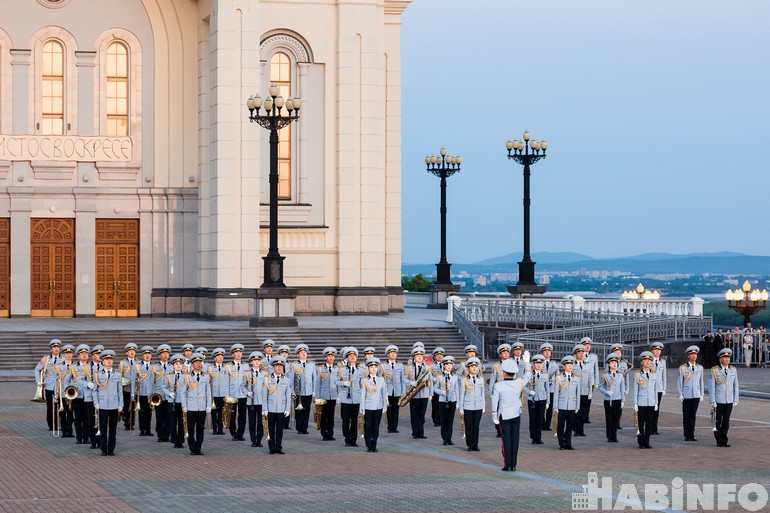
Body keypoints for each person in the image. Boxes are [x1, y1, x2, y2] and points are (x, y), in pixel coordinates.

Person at [491, 359, 525, 471]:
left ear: (504, 373)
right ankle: (514, 465)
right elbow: (528, 375)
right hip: (516, 414)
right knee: (515, 440)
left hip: (504, 415)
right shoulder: (519, 382)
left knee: (506, 440)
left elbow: (494, 402)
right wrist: (527, 364)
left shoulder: (498, 385)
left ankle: (507, 465)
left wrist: (494, 417)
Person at [93, 350, 123, 456]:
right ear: (103, 362)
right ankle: (103, 449)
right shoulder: (97, 374)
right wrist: (96, 402)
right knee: (103, 428)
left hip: (114, 404)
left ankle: (111, 448)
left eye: (110, 359)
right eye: (106, 360)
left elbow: (120, 391)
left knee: (113, 428)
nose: (109, 361)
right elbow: (95, 390)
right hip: (102, 404)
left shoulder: (118, 374)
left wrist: (121, 404)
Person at [180, 353, 211, 455]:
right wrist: (184, 405)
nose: (198, 364)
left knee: (200, 429)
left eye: (200, 362)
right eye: (196, 362)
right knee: (190, 429)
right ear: (192, 365)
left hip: (201, 407)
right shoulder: (187, 376)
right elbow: (183, 392)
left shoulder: (205, 376)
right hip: (191, 407)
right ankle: (192, 448)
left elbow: (208, 392)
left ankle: (198, 448)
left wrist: (208, 405)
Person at [709, 348, 739, 447]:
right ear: (720, 359)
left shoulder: (733, 370)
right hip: (718, 400)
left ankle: (724, 439)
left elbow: (736, 386)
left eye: (728, 357)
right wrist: (712, 400)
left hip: (729, 399)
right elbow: (712, 387)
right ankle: (719, 440)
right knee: (717, 421)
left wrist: (735, 399)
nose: (727, 360)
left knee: (726, 421)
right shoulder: (715, 370)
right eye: (724, 358)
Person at [262, 356, 292, 454]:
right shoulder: (267, 378)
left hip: (281, 409)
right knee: (271, 429)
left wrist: (287, 409)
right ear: (273, 367)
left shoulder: (286, 379)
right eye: (276, 366)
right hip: (270, 408)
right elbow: (264, 395)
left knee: (279, 429)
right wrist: (265, 408)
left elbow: (288, 395)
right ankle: (271, 448)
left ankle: (278, 447)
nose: (279, 368)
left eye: (280, 366)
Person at [402, 346, 432, 439]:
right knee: (414, 414)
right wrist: (411, 383)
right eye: (417, 355)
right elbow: (404, 378)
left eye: (421, 355)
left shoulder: (427, 367)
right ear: (414, 357)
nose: (419, 357)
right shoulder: (408, 367)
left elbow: (430, 381)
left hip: (424, 394)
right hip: (414, 395)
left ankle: (421, 433)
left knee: (422, 415)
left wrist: (431, 394)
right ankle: (415, 432)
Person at [336, 347, 363, 446]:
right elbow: (336, 381)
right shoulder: (342, 370)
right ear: (346, 358)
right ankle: (347, 438)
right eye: (350, 356)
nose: (352, 357)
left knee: (355, 421)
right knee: (346, 420)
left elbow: (363, 384)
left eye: (354, 356)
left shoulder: (360, 371)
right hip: (345, 399)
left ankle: (354, 440)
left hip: (356, 399)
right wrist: (343, 383)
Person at [360, 357, 388, 452]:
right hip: (368, 407)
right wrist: (362, 408)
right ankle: (368, 444)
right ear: (368, 369)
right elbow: (362, 395)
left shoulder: (381, 379)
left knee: (376, 427)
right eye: (371, 367)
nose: (373, 369)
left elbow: (384, 394)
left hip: (378, 406)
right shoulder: (364, 380)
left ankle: (374, 444)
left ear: (377, 368)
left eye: (375, 367)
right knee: (368, 427)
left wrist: (384, 406)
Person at [677, 345, 704, 442]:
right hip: (686, 394)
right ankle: (686, 434)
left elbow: (701, 381)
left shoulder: (699, 368)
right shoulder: (683, 368)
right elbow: (679, 381)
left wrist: (701, 394)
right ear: (688, 356)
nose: (694, 356)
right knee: (686, 416)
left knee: (693, 416)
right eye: (692, 354)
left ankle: (692, 434)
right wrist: (680, 394)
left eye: (695, 354)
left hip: (696, 394)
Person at [553, 355, 581, 450]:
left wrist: (577, 406)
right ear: (564, 367)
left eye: (571, 364)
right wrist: (555, 406)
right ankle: (561, 443)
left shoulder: (576, 378)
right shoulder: (559, 378)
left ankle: (568, 443)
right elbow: (556, 392)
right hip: (562, 405)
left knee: (570, 426)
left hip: (572, 406)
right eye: (567, 365)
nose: (569, 366)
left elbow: (578, 393)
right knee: (560, 425)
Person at [35, 338, 62, 432]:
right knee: (50, 406)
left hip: (60, 386)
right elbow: (37, 369)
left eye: (58, 347)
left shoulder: (63, 359)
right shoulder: (46, 359)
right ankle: (51, 424)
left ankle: (59, 424)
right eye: (54, 347)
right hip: (49, 386)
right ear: (51, 349)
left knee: (60, 406)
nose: (56, 349)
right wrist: (38, 381)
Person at [458, 356, 485, 451]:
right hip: (468, 406)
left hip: (478, 406)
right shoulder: (464, 380)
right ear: (468, 368)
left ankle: (475, 444)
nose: (474, 368)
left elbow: (482, 394)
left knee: (476, 426)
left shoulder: (480, 379)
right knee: (469, 426)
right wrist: (461, 407)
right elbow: (461, 394)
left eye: (476, 366)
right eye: (472, 366)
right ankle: (469, 444)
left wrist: (483, 406)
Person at [632, 351, 658, 449]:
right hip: (641, 403)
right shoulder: (637, 374)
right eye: (645, 360)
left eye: (649, 360)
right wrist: (635, 403)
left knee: (649, 423)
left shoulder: (654, 375)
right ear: (641, 362)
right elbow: (635, 390)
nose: (647, 362)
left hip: (650, 402)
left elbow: (655, 390)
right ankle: (640, 441)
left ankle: (647, 441)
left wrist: (656, 403)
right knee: (640, 423)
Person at [597, 353, 625, 443]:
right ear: (609, 364)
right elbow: (600, 387)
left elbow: (622, 388)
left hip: (617, 399)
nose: (614, 364)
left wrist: (623, 400)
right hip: (608, 400)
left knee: (616, 418)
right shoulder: (605, 375)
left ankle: (614, 435)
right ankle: (610, 436)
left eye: (615, 362)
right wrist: (606, 392)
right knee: (609, 418)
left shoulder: (620, 375)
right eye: (612, 362)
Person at [289, 344, 316, 434]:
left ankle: (305, 428)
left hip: (308, 391)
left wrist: (314, 390)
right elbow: (291, 379)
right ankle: (299, 428)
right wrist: (292, 391)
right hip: (298, 392)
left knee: (306, 410)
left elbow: (314, 378)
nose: (304, 354)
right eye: (301, 353)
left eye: (305, 352)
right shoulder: (294, 365)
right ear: (298, 354)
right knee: (299, 410)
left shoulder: (311, 364)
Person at [68, 344, 91, 445]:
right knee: (77, 418)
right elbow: (68, 381)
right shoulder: (72, 367)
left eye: (86, 353)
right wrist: (69, 390)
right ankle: (78, 437)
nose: (84, 355)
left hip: (88, 396)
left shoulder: (91, 367)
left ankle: (86, 438)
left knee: (87, 418)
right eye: (82, 353)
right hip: (77, 396)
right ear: (78, 356)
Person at [314, 347, 339, 441]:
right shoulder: (320, 369)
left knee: (331, 416)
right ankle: (324, 434)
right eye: (329, 356)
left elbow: (338, 384)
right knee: (324, 416)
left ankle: (330, 434)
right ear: (326, 358)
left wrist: (338, 395)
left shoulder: (337, 369)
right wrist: (317, 396)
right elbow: (318, 383)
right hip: (323, 396)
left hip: (333, 395)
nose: (331, 357)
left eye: (332, 356)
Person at [433, 355, 458, 445]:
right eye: (447, 364)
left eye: (450, 364)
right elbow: (434, 388)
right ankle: (444, 438)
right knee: (444, 421)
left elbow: (456, 389)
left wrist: (457, 402)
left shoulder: (454, 377)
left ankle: (449, 438)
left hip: (452, 400)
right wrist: (441, 392)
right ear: (443, 365)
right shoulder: (439, 376)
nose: (449, 366)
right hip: (443, 401)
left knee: (450, 420)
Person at [163, 354, 186, 449]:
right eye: (176, 364)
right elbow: (163, 387)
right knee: (172, 422)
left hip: (181, 402)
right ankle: (174, 440)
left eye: (180, 364)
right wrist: (169, 394)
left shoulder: (186, 376)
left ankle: (180, 441)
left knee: (181, 422)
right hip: (171, 402)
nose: (178, 365)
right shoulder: (169, 376)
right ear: (173, 365)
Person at [489, 343, 511, 438]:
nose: (506, 354)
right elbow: (493, 380)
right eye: (504, 353)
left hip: (509, 392)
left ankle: (507, 430)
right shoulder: (496, 366)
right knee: (499, 412)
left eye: (507, 352)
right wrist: (491, 393)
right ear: (500, 354)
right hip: (499, 392)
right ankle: (499, 430)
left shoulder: (512, 364)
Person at [243, 351, 265, 448]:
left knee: (261, 422)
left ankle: (259, 440)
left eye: (258, 360)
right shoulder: (247, 374)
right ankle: (253, 440)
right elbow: (242, 386)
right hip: (251, 402)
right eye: (254, 360)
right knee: (252, 422)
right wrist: (247, 393)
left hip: (261, 402)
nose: (256, 362)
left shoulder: (265, 374)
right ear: (251, 362)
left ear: (261, 362)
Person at [226, 343, 248, 441]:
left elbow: (248, 380)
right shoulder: (228, 366)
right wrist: (226, 394)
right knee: (232, 414)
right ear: (232, 354)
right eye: (236, 352)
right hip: (232, 394)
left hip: (243, 394)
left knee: (242, 415)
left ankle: (240, 433)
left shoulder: (246, 365)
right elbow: (225, 381)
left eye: (240, 352)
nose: (238, 354)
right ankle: (233, 433)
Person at [526, 354, 549, 445]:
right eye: (536, 363)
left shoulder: (545, 374)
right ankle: (533, 437)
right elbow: (523, 387)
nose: (539, 365)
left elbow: (547, 388)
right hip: (532, 399)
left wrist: (548, 402)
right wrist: (529, 392)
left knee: (540, 419)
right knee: (533, 419)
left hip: (542, 398)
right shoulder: (529, 374)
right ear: (533, 364)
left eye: (540, 363)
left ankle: (538, 437)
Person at [53, 344, 76, 437]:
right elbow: (56, 381)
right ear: (63, 355)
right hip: (62, 393)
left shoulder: (76, 366)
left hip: (71, 394)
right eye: (66, 353)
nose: (68, 355)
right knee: (62, 414)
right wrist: (55, 394)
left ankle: (70, 431)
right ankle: (64, 431)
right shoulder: (58, 367)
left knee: (70, 414)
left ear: (73, 354)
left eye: (70, 353)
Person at [380, 345, 403, 433]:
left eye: (394, 353)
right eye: (391, 353)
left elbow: (402, 379)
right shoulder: (383, 366)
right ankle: (389, 427)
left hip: (397, 391)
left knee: (396, 410)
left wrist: (403, 392)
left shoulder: (400, 366)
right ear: (388, 355)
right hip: (388, 391)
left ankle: (395, 427)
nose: (393, 355)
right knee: (389, 409)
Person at [572, 344, 594, 437]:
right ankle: (576, 429)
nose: (581, 354)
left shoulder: (587, 365)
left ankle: (581, 430)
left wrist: (590, 392)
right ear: (575, 354)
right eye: (579, 352)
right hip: (575, 392)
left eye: (582, 352)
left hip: (585, 391)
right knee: (576, 412)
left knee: (583, 412)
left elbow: (590, 378)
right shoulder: (572, 365)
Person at [608, 343, 631, 430]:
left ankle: (617, 423)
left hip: (621, 388)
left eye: (619, 352)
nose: (618, 353)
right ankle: (612, 423)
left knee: (620, 407)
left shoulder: (624, 363)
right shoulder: (609, 363)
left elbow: (626, 377)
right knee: (612, 407)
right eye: (616, 351)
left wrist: (627, 388)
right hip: (612, 388)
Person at [152, 344, 172, 443]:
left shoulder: (172, 366)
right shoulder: (155, 367)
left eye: (167, 353)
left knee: (168, 416)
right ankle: (160, 434)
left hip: (169, 395)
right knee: (159, 416)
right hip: (158, 395)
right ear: (159, 355)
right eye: (163, 353)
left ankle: (167, 434)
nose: (165, 355)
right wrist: (150, 396)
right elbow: (152, 382)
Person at [135, 346, 155, 436]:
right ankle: (142, 430)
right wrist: (132, 393)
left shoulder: (154, 366)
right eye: (145, 354)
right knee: (141, 412)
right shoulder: (138, 366)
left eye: (149, 354)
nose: (147, 356)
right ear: (143, 355)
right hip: (141, 392)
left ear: (151, 356)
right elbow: (133, 379)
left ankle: (148, 430)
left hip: (150, 393)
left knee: (149, 412)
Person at [118, 342, 138, 431]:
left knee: (133, 407)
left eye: (133, 351)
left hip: (135, 388)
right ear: (127, 353)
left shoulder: (138, 362)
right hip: (126, 388)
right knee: (126, 406)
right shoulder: (122, 363)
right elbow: (119, 375)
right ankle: (126, 422)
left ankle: (132, 423)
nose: (132, 352)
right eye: (130, 351)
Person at [580, 337, 600, 424]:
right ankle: (580, 416)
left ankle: (586, 417)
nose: (587, 347)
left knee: (588, 399)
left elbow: (596, 370)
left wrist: (596, 382)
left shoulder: (594, 356)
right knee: (581, 399)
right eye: (585, 345)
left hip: (590, 381)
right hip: (581, 381)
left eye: (589, 345)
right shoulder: (579, 355)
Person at [539, 343, 559, 432]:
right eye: (545, 351)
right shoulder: (539, 363)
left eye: (549, 351)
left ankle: (547, 425)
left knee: (550, 408)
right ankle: (542, 423)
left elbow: (557, 376)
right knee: (542, 407)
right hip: (542, 389)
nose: (547, 353)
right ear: (542, 353)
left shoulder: (555, 364)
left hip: (552, 388)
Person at [208, 347, 228, 435]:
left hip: (223, 394)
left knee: (222, 412)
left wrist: (227, 394)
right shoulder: (210, 368)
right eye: (218, 356)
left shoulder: (226, 368)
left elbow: (227, 381)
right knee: (214, 412)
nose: (220, 358)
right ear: (214, 358)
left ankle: (220, 429)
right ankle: (214, 429)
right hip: (214, 393)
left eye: (221, 356)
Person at [87, 345, 103, 448]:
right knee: (91, 420)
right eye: (97, 354)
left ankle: (101, 441)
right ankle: (93, 441)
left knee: (101, 420)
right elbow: (79, 380)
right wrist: (87, 384)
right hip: (89, 397)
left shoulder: (105, 367)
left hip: (102, 397)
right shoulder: (87, 367)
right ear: (92, 356)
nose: (99, 355)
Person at [649, 342, 666, 436]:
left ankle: (655, 428)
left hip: (659, 388)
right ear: (652, 351)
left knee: (657, 409)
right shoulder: (648, 361)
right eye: (655, 350)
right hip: (650, 388)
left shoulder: (662, 362)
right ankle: (650, 427)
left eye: (659, 350)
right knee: (651, 408)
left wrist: (664, 388)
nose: (657, 352)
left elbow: (664, 375)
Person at [430, 347, 445, 427]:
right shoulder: (431, 366)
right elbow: (430, 376)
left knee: (443, 404)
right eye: (437, 355)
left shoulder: (446, 365)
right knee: (435, 405)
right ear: (434, 357)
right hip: (435, 387)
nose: (439, 356)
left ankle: (442, 419)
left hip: (443, 387)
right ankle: (436, 420)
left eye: (441, 355)